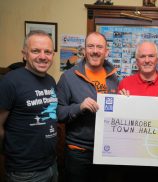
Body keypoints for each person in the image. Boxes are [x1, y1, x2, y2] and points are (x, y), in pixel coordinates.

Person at [56, 32, 119, 182]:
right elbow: (57, 112)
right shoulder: (68, 77)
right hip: (78, 152)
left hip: (106, 150)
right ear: (84, 50)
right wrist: (79, 107)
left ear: (106, 52)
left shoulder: (114, 77)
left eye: (99, 47)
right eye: (90, 46)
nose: (95, 51)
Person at [0, 30, 58, 181]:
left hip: (51, 165)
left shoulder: (51, 81)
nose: (43, 56)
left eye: (48, 52)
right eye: (35, 51)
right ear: (24, 54)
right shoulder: (10, 81)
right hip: (24, 172)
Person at [118, 41, 158, 182]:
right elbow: (117, 121)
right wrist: (120, 103)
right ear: (137, 61)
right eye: (142, 56)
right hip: (131, 156)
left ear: (157, 59)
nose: (147, 60)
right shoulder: (125, 83)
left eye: (151, 56)